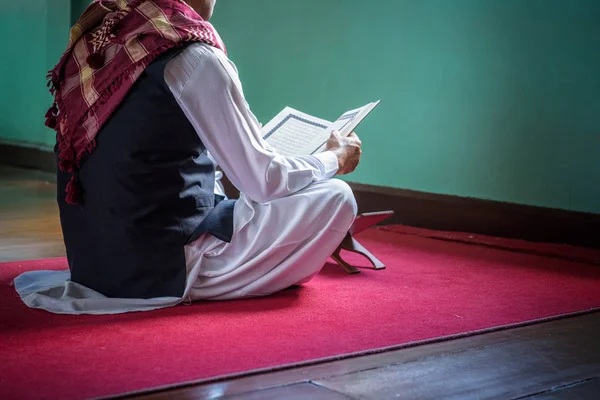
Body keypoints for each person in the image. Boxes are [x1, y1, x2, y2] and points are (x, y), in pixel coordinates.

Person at [14, 0, 362, 314]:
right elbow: (263, 181)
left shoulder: (101, 40)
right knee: (335, 198)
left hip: (93, 264)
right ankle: (258, 272)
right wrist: (334, 158)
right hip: (156, 271)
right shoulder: (193, 56)